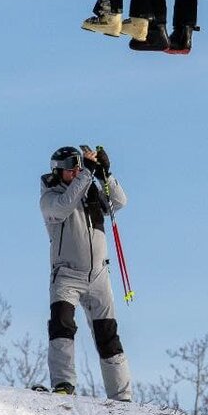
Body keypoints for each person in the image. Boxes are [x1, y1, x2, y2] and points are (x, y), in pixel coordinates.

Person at [39, 144, 131, 400]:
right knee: (62, 325)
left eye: (79, 165)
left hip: (99, 276)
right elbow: (65, 205)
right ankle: (63, 385)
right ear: (58, 171)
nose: (76, 171)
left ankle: (122, 396)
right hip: (66, 275)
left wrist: (105, 174)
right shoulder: (50, 198)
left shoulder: (89, 189)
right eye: (70, 168)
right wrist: (88, 174)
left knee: (108, 334)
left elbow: (119, 202)